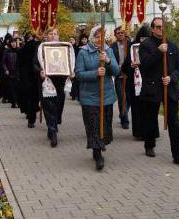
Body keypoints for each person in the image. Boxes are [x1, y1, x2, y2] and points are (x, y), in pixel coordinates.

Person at [138, 16, 179, 164]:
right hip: (152, 88)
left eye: (163, 26)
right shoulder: (146, 45)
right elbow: (145, 65)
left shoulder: (172, 46)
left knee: (174, 121)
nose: (161, 29)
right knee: (151, 119)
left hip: (170, 89)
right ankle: (149, 144)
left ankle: (178, 154)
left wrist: (172, 78)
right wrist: (158, 52)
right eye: (158, 27)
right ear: (152, 29)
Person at [75, 25, 119, 170]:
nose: (100, 39)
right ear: (92, 37)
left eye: (102, 36)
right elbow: (79, 74)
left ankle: (100, 146)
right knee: (94, 125)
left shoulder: (108, 50)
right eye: (97, 36)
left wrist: (107, 61)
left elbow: (117, 71)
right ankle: (97, 153)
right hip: (89, 97)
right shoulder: (83, 52)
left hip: (106, 96)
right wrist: (95, 73)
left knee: (104, 125)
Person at [35, 28, 75, 147]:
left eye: (55, 33)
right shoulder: (41, 48)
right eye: (51, 34)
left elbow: (70, 62)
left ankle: (53, 124)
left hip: (60, 82)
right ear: (47, 36)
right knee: (48, 107)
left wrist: (72, 72)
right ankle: (53, 131)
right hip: (47, 82)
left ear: (58, 35)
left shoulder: (64, 48)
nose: (53, 35)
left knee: (58, 106)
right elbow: (35, 64)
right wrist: (40, 72)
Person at [129, 24, 151, 140]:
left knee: (149, 109)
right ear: (139, 38)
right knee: (137, 109)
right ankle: (138, 132)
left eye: (147, 38)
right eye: (142, 38)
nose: (144, 41)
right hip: (136, 84)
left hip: (149, 83)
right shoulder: (132, 48)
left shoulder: (153, 48)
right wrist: (131, 65)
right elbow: (125, 67)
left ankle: (149, 132)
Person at [110, 26, 133, 129]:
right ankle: (125, 120)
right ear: (115, 35)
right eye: (118, 33)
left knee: (129, 97)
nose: (120, 34)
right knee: (121, 98)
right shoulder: (112, 47)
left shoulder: (130, 45)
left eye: (122, 32)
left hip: (129, 75)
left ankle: (123, 112)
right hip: (119, 75)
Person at [17, 32, 41, 128]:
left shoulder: (23, 49)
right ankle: (32, 117)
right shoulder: (39, 46)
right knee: (34, 99)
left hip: (28, 77)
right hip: (35, 76)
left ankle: (31, 118)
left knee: (31, 98)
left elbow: (18, 64)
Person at [1, 37, 20, 108]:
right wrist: (6, 70)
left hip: (18, 72)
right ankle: (14, 102)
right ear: (10, 43)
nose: (13, 43)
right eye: (12, 42)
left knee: (17, 88)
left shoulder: (19, 50)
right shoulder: (7, 51)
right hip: (10, 72)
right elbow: (3, 62)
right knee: (11, 88)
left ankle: (17, 102)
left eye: (14, 42)